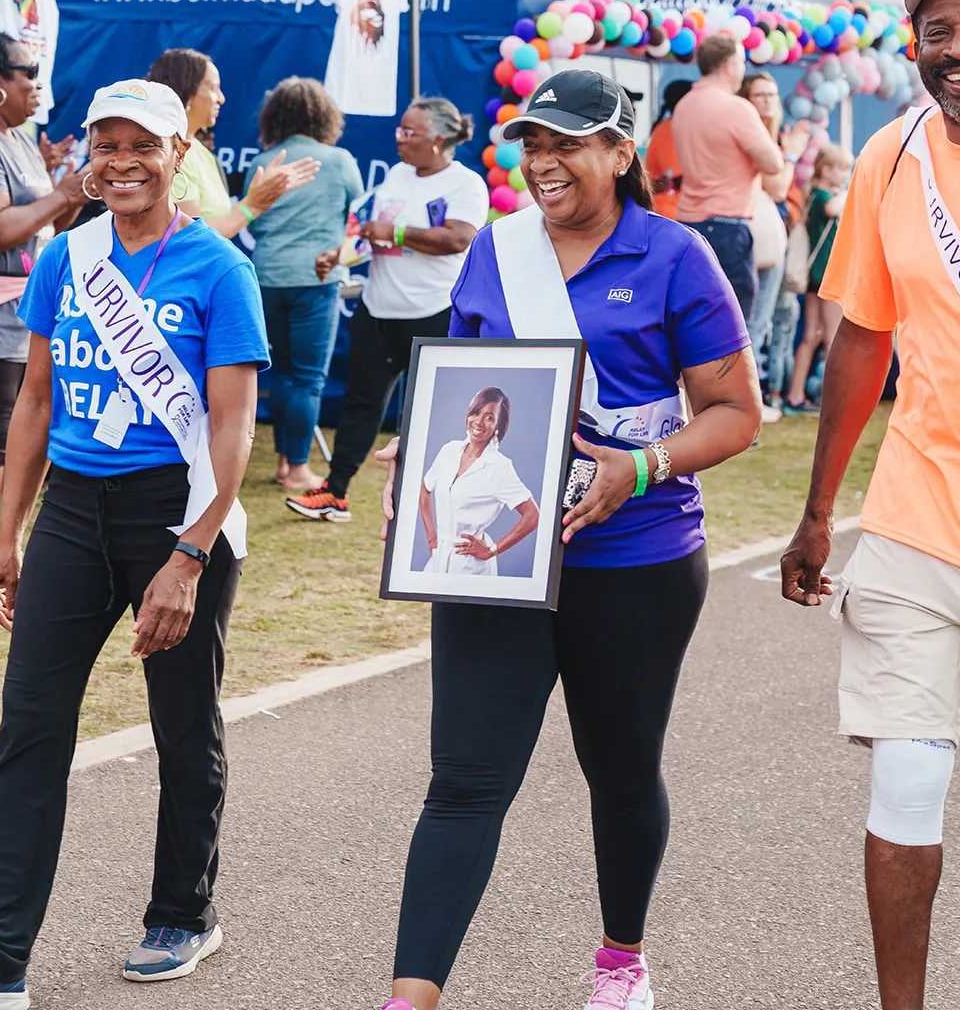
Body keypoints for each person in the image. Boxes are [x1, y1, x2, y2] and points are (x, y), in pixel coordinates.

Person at [375, 67, 762, 1010]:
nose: (542, 162)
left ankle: (620, 961)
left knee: (620, 769)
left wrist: (643, 465)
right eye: (531, 145)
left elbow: (733, 413)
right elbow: (466, 382)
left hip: (636, 560)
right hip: (499, 560)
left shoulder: (676, 258)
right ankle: (406, 998)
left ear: (620, 153)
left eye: (566, 144)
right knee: (464, 778)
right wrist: (413, 455)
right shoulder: (498, 251)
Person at [780, 0, 960, 1010]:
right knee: (905, 776)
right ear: (910, 51)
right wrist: (816, 515)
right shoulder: (889, 160)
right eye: (933, 32)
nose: (956, 49)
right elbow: (862, 333)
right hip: (915, 518)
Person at [0, 79, 269, 1004]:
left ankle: (183, 913)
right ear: (84, 156)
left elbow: (230, 428)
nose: (121, 163)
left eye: (141, 145)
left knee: (182, 724)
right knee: (29, 728)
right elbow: (34, 400)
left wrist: (189, 554)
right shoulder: (64, 259)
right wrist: (7, 531)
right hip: (73, 508)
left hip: (177, 511)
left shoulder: (218, 270)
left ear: (178, 153)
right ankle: (1, 959)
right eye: (103, 146)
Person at [287, 96, 488, 523]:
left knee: (431, 410)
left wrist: (394, 231)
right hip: (378, 310)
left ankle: (433, 503)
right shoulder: (397, 174)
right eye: (399, 129)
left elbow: (458, 239)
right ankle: (335, 493)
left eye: (409, 132)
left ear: (438, 140)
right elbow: (370, 235)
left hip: (433, 312)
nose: (398, 138)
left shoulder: (465, 183)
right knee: (361, 404)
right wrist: (340, 256)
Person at [243, 78, 363, 494]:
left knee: (283, 376)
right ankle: (295, 469)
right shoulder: (339, 159)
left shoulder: (266, 161)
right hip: (317, 279)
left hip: (266, 279)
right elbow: (357, 216)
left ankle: (285, 461)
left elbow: (251, 219)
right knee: (308, 378)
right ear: (323, 116)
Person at [0, 34, 88, 519]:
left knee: (16, 449)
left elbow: (43, 228)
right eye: (26, 71)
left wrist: (67, 196)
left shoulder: (23, 140)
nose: (37, 82)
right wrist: (61, 193)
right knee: (2, 453)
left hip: (21, 318)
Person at [672, 31, 784, 324]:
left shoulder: (684, 106)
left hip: (688, 224)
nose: (744, 68)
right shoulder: (736, 108)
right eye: (742, 62)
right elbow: (773, 164)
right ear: (728, 66)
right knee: (733, 326)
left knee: (695, 321)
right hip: (726, 228)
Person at [147, 48, 318, 236]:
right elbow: (190, 237)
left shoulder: (199, 150)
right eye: (213, 88)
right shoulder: (170, 153)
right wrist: (253, 204)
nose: (221, 98)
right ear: (186, 90)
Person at [739, 72, 809, 420]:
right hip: (754, 242)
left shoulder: (775, 137)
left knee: (772, 321)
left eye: (772, 94)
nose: (767, 101)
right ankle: (748, 402)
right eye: (759, 94)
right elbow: (777, 186)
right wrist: (793, 156)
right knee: (751, 322)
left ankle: (765, 394)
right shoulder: (751, 137)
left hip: (775, 240)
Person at [420, 387, 539, 576]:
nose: (480, 422)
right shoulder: (449, 451)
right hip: (439, 556)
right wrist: (431, 538)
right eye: (476, 413)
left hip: (470, 567)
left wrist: (491, 551)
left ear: (499, 424)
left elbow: (532, 516)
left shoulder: (499, 467)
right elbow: (425, 489)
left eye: (490, 417)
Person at [782, 142, 852, 414]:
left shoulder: (812, 195)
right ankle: (836, 400)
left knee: (812, 335)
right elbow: (834, 208)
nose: (845, 175)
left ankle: (796, 395)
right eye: (842, 170)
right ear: (826, 169)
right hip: (827, 276)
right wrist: (849, 191)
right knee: (833, 338)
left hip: (815, 277)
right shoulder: (824, 197)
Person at [644, 79, 692, 219]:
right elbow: (674, 178)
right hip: (670, 214)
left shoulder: (677, 127)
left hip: (678, 213)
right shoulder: (671, 129)